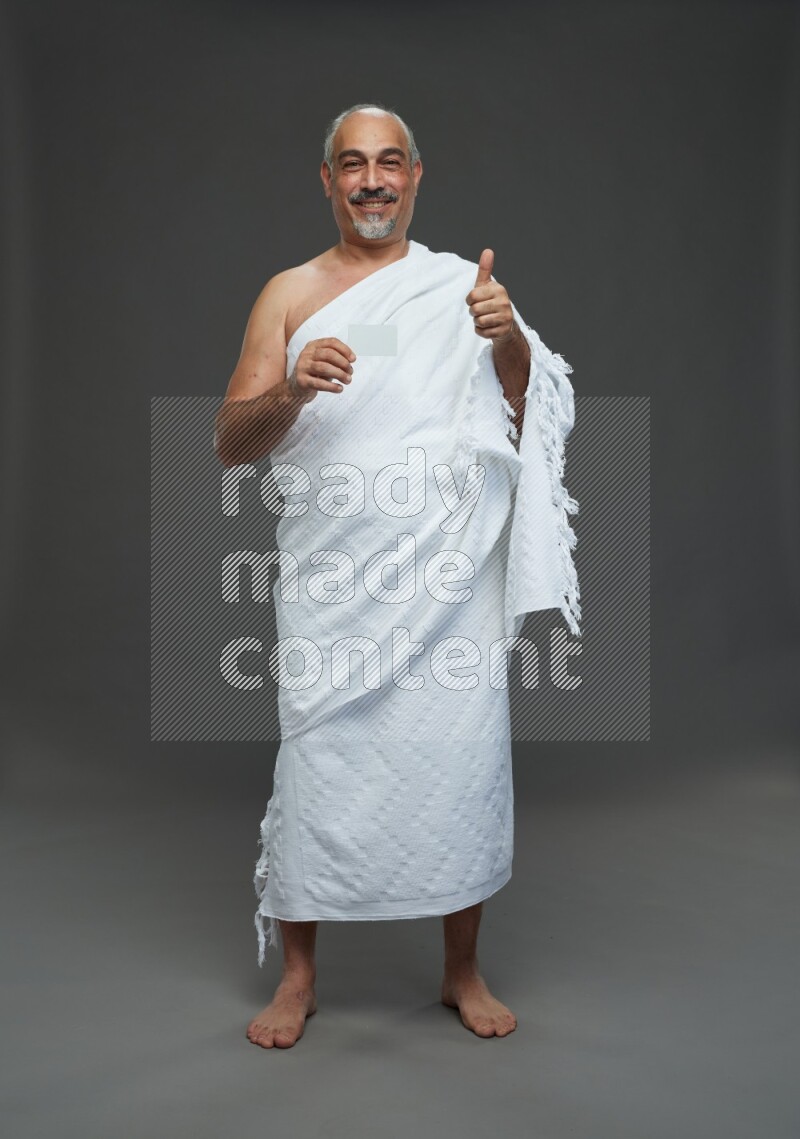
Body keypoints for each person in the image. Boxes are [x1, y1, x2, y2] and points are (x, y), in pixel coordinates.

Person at [214, 103, 580, 1048]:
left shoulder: (465, 290)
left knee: (456, 762)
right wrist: (293, 388)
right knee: (318, 760)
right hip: (333, 585)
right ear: (327, 180)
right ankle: (299, 977)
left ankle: (460, 969)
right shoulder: (289, 293)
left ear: (417, 175)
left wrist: (506, 339)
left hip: (447, 585)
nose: (371, 180)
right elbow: (229, 443)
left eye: (388, 163)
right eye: (351, 164)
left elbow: (523, 410)